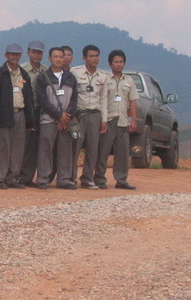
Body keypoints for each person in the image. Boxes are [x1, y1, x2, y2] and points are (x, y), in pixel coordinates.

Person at [0, 44, 34, 189]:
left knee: (17, 148)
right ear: (6, 55)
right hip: (3, 116)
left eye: (17, 54)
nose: (15, 57)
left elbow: (29, 98)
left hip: (20, 114)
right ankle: (0, 178)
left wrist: (30, 120)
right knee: (2, 147)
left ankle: (12, 178)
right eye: (12, 54)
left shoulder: (24, 75)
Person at [94, 50, 138, 190]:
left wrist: (134, 120)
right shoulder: (105, 79)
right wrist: (102, 120)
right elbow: (100, 99)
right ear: (110, 64)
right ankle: (99, 179)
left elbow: (132, 102)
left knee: (123, 153)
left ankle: (121, 180)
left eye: (121, 62)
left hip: (123, 121)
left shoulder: (129, 81)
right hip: (108, 120)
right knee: (103, 151)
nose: (119, 64)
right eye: (116, 62)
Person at [36, 47, 78, 190]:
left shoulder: (70, 77)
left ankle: (64, 179)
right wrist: (59, 115)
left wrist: (67, 117)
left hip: (66, 121)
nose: (59, 59)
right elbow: (42, 100)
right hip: (48, 120)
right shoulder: (42, 77)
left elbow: (74, 99)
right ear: (49, 58)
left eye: (61, 57)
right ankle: (43, 179)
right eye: (56, 57)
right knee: (45, 150)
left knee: (65, 150)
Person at [71, 44, 108, 189]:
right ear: (84, 58)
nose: (94, 59)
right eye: (91, 56)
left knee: (93, 149)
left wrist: (104, 119)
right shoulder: (75, 72)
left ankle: (87, 178)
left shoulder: (103, 76)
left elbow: (103, 98)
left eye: (96, 56)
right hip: (80, 115)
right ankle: (71, 177)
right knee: (75, 148)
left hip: (95, 115)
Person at [19, 40, 48, 187]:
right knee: (22, 144)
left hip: (41, 112)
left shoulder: (46, 71)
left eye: (39, 52)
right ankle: (16, 176)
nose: (37, 55)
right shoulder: (21, 70)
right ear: (28, 53)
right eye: (34, 52)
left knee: (34, 147)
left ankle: (27, 177)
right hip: (26, 111)